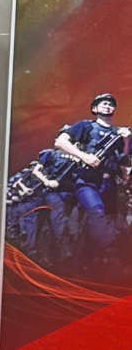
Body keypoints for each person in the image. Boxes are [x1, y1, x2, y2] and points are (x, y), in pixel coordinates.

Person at [52, 93, 127, 256]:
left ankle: (85, 257)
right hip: (88, 181)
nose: (107, 106)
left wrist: (127, 139)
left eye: (111, 104)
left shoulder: (118, 135)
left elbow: (123, 160)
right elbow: (60, 142)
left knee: (103, 220)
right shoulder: (85, 126)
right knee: (96, 212)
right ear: (95, 108)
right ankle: (112, 253)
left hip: (109, 184)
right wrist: (84, 157)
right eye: (103, 103)